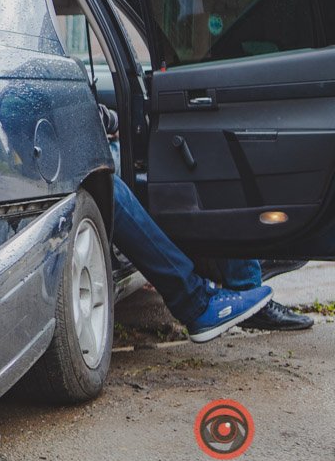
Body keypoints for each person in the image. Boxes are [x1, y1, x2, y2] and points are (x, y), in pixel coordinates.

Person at [99, 105, 312, 342]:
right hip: (89, 147)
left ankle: (245, 280)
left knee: (203, 146)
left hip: (95, 138)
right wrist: (113, 121)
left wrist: (115, 120)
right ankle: (205, 299)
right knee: (110, 184)